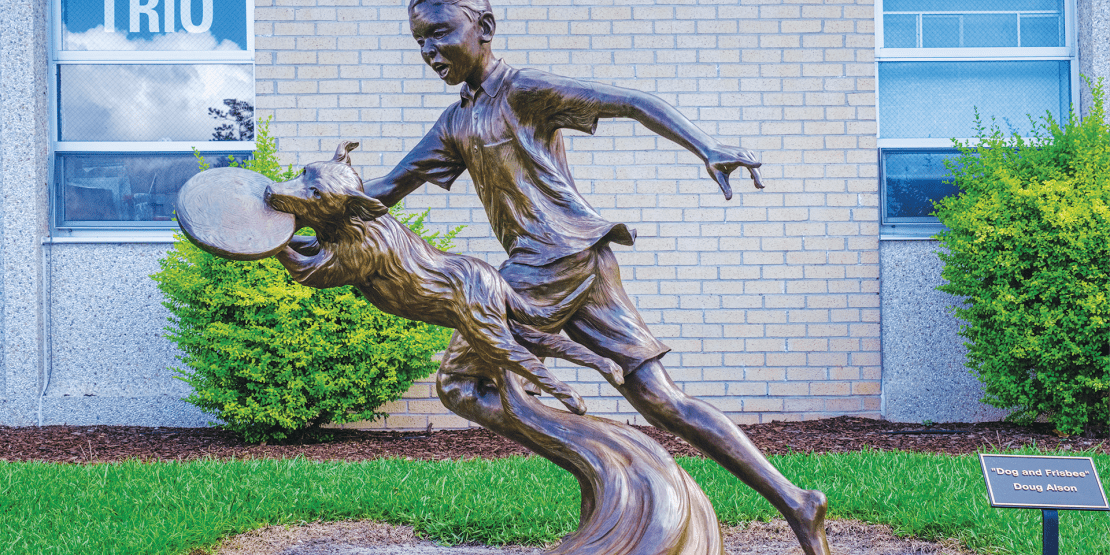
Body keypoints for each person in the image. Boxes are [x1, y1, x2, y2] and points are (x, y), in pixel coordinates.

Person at [361, 0, 830, 553]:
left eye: (439, 33)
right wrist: (304, 216)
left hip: (548, 264)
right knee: (659, 398)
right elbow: (386, 189)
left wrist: (706, 146)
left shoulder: (522, 89)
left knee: (461, 385)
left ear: (484, 28)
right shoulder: (457, 121)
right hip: (585, 258)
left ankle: (611, 461)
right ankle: (797, 500)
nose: (429, 51)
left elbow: (631, 101)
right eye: (419, 41)